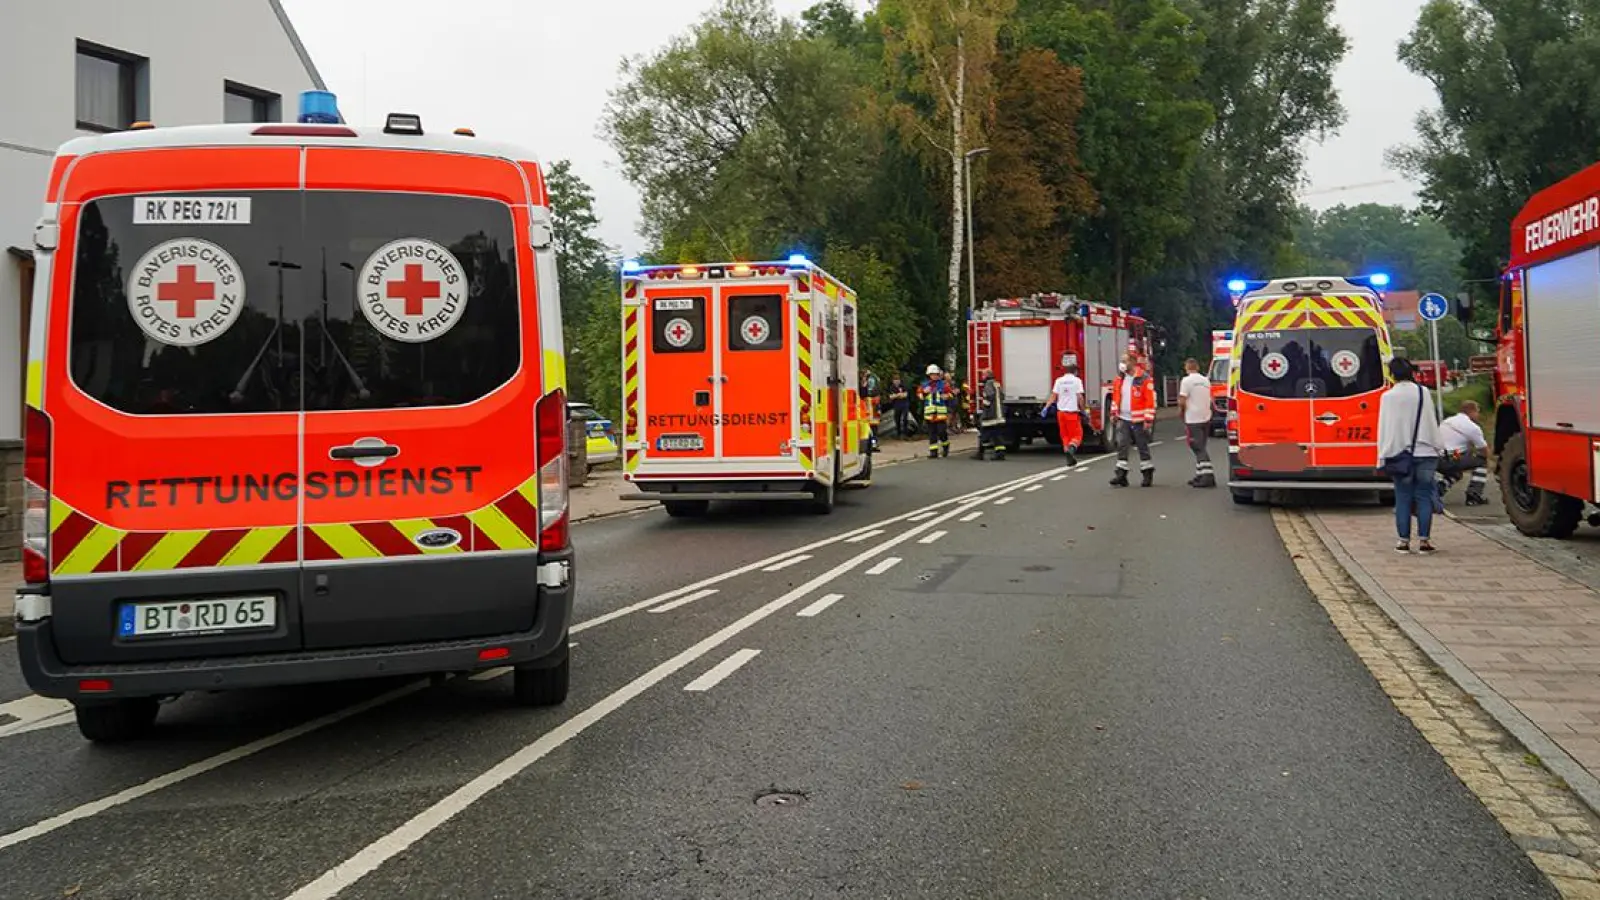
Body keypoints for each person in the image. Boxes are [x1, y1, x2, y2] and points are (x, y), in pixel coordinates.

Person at [1377, 357, 1442, 553]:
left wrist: (1381, 456)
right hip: (1426, 451)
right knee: (1423, 496)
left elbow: (1385, 428)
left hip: (1399, 454)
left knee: (1403, 497)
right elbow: (1431, 420)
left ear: (1392, 374)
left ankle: (1403, 542)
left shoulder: (1388, 397)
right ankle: (1424, 542)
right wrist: (1438, 447)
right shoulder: (1423, 393)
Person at [1109, 352, 1157, 487]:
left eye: (1125, 361)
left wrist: (1148, 420)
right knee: (1122, 445)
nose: (1122, 364)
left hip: (1139, 419)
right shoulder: (1119, 379)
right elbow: (1116, 397)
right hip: (1123, 418)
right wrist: (1114, 413)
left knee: (1142, 446)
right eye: (1122, 361)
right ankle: (1121, 474)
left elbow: (1149, 400)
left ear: (1133, 362)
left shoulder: (1144, 378)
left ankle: (1147, 473)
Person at [1438, 400, 1490, 506]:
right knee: (1481, 461)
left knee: (1457, 469)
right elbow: (1484, 450)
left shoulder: (1447, 421)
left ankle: (1438, 489)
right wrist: (1490, 460)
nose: (1478, 415)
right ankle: (1474, 495)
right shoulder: (1472, 427)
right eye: (1477, 412)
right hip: (1452, 458)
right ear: (1472, 411)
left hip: (1437, 458)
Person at [1177, 357, 1215, 488]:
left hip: (1193, 418)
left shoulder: (1186, 381)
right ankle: (1200, 474)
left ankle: (1207, 476)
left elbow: (1182, 400)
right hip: (1205, 416)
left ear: (1186, 367)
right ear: (1197, 367)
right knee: (1201, 445)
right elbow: (1210, 398)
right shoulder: (1205, 380)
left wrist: (1181, 413)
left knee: (1197, 447)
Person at [1044, 355, 1086, 467]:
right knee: (1077, 435)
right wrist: (1083, 410)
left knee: (1065, 436)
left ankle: (1068, 456)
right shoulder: (1077, 381)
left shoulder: (1059, 381)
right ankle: (1072, 450)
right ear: (1075, 369)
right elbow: (1079, 397)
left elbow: (1053, 396)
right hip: (1072, 413)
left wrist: (1046, 407)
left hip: (1060, 413)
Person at [918, 364, 954, 459]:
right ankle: (933, 452)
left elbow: (951, 393)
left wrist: (947, 396)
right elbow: (919, 395)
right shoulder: (924, 385)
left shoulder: (943, 385)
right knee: (932, 433)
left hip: (940, 413)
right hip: (929, 414)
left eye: (936, 374)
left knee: (942, 432)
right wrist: (924, 393)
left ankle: (945, 445)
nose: (934, 376)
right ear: (929, 375)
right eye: (932, 374)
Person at [974, 368, 1007, 461]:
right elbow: (1002, 396)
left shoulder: (988, 384)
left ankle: (980, 453)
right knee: (997, 435)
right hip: (999, 414)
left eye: (983, 375)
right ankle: (1000, 454)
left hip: (991, 415)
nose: (982, 377)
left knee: (983, 434)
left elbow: (989, 397)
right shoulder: (997, 383)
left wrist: (984, 405)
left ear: (987, 375)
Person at [887, 375, 912, 439]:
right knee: (897, 419)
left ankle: (905, 434)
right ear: (893, 381)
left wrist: (896, 395)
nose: (896, 382)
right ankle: (899, 433)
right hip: (896, 405)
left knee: (905, 418)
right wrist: (899, 395)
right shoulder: (891, 387)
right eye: (895, 380)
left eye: (898, 380)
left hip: (905, 404)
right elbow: (891, 397)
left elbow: (905, 395)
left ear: (900, 381)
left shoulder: (903, 386)